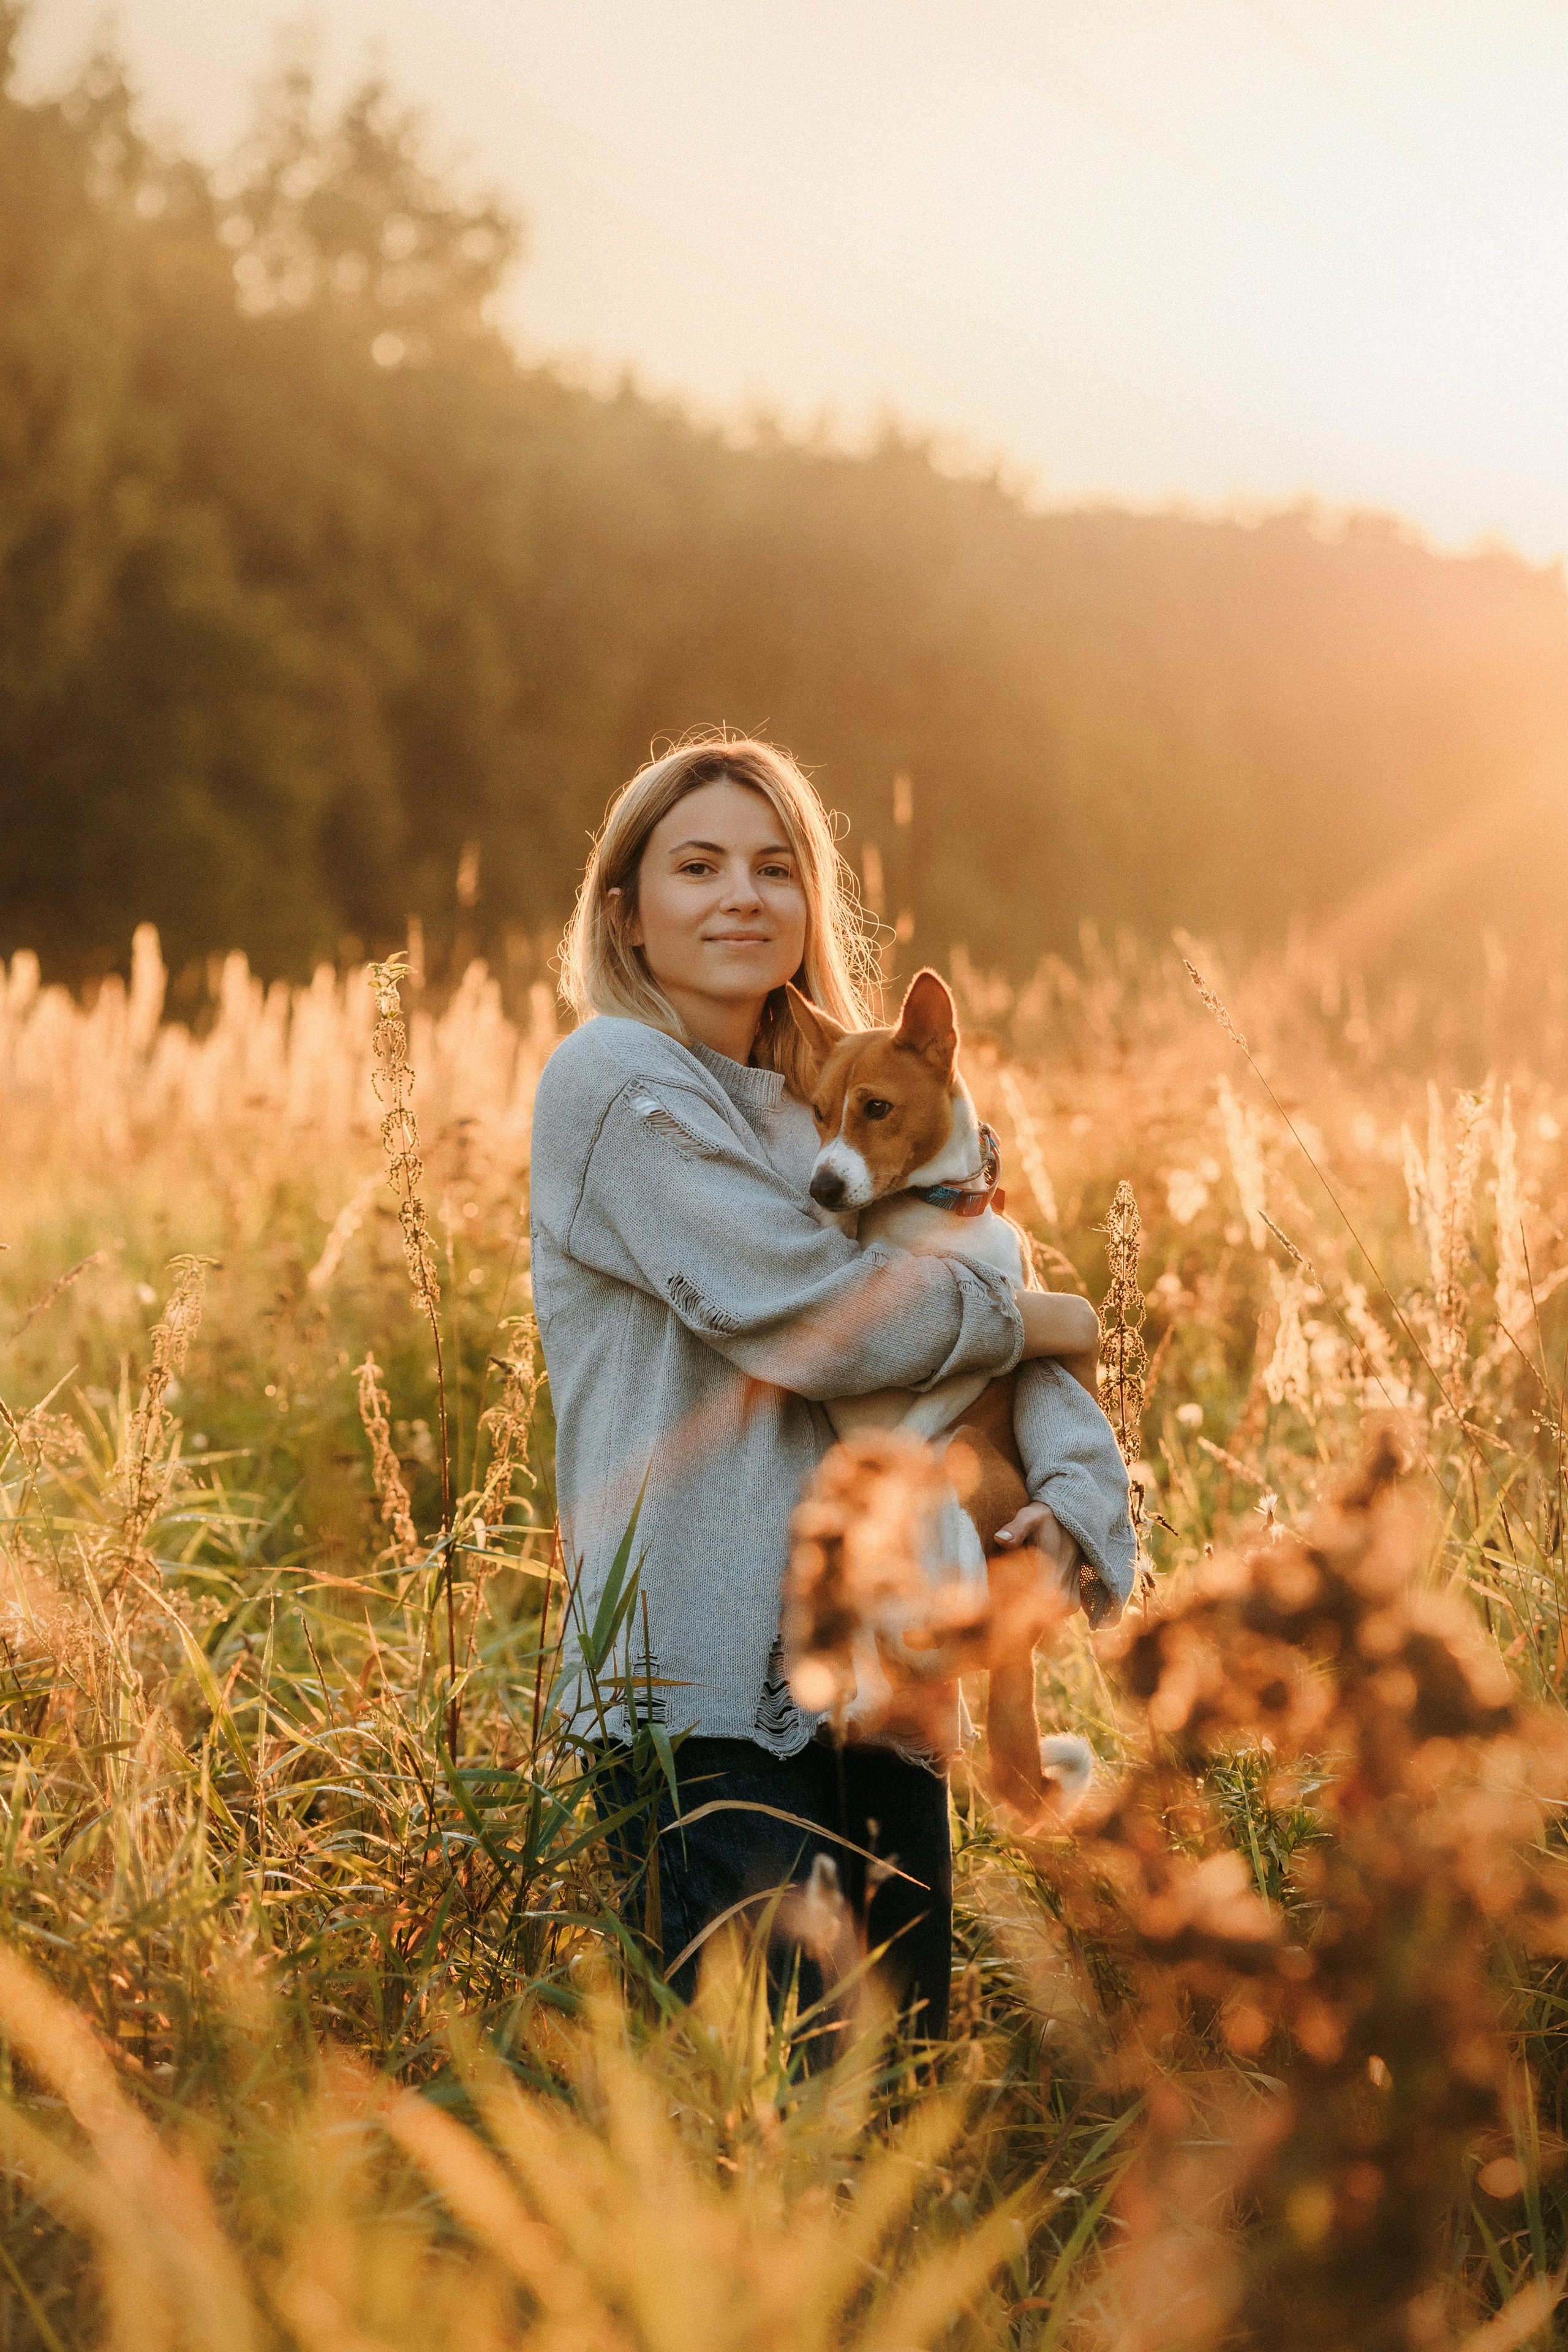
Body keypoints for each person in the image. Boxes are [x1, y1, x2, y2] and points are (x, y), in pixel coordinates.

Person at [530, 734, 1136, 2038]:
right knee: (772, 2094)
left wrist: (1074, 1509)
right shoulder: (615, 1086)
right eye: (697, 867)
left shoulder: (854, 1093)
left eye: (774, 866)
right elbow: (820, 1320)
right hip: (700, 1690)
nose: (741, 896)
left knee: (895, 2086)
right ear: (626, 914)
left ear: (812, 900)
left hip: (889, 1679)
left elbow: (986, 1331)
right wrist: (1042, 1319)